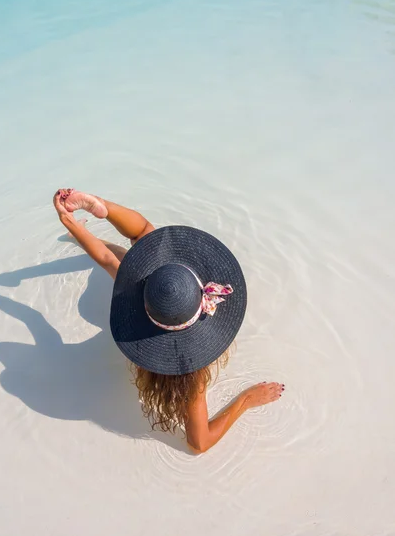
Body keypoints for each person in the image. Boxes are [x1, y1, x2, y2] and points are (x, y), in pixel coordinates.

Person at [53, 189, 284, 453]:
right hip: (148, 310)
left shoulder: (136, 289)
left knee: (126, 261)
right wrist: (246, 399)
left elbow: (120, 246)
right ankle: (92, 218)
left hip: (140, 300)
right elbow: (199, 443)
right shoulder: (191, 374)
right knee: (126, 260)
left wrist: (70, 221)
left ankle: (86, 224)